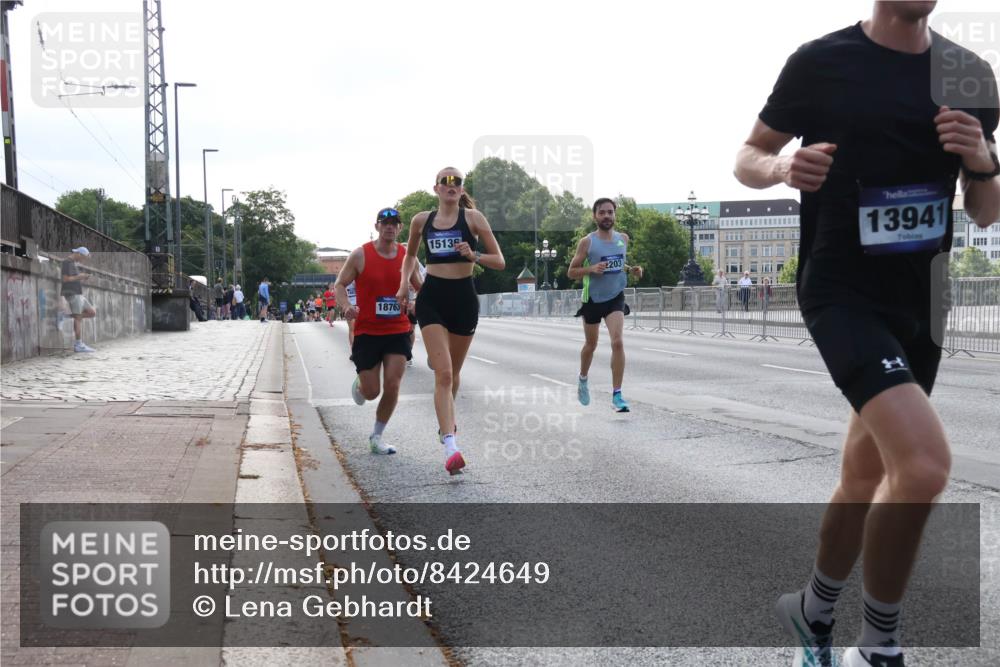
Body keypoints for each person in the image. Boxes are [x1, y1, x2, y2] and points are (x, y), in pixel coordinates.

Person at [734, 3, 999, 666]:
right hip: (841, 289)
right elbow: (749, 154)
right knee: (924, 464)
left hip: (924, 298)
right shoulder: (822, 61)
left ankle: (813, 608)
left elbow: (986, 213)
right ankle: (878, 645)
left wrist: (984, 161)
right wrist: (781, 169)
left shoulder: (970, 75)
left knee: (864, 472)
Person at [397, 167, 505, 475]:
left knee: (453, 374)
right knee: (443, 374)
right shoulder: (422, 220)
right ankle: (450, 444)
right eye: (445, 181)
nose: (451, 185)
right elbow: (409, 255)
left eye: (456, 181)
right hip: (432, 298)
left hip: (463, 300)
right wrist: (405, 282)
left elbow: (500, 261)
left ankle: (447, 421)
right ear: (435, 188)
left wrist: (474, 255)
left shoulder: (474, 219)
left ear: (461, 189)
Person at [336, 207, 423, 455]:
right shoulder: (360, 255)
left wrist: (418, 303)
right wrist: (346, 306)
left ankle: (377, 436)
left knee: (393, 385)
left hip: (397, 329)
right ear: (377, 226)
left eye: (394, 223)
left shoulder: (408, 257)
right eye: (385, 223)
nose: (389, 227)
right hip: (367, 331)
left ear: (400, 228)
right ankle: (362, 385)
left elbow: (420, 286)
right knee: (372, 391)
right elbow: (340, 283)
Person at [567, 198, 643, 413]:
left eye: (610, 212)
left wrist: (633, 270)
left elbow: (618, 262)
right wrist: (590, 269)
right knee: (591, 345)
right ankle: (583, 379)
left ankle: (617, 394)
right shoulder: (587, 242)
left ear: (615, 215)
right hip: (592, 298)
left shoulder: (623, 239)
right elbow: (571, 271)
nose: (607, 216)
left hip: (615, 297)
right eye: (602, 213)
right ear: (595, 216)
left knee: (617, 342)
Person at [61, 247, 97, 352]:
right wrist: (80, 277)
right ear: (79, 254)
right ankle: (78, 344)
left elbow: (72, 278)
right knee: (78, 318)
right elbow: (65, 279)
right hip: (72, 293)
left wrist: (82, 278)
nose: (83, 260)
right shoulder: (67, 262)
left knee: (92, 312)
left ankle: (65, 316)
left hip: (78, 293)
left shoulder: (72, 263)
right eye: (83, 258)